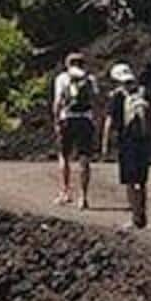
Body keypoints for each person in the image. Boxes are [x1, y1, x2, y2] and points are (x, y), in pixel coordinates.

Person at [102, 62, 151, 229]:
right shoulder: (143, 93)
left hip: (127, 141)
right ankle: (142, 212)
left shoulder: (117, 96)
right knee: (142, 180)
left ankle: (134, 216)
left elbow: (109, 121)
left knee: (130, 182)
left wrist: (105, 143)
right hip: (144, 141)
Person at [52, 52, 99, 208]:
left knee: (64, 156)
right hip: (85, 120)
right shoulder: (90, 79)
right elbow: (96, 100)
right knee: (84, 159)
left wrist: (56, 119)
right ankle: (83, 197)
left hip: (68, 119)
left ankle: (65, 192)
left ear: (67, 64)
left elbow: (58, 101)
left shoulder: (62, 79)